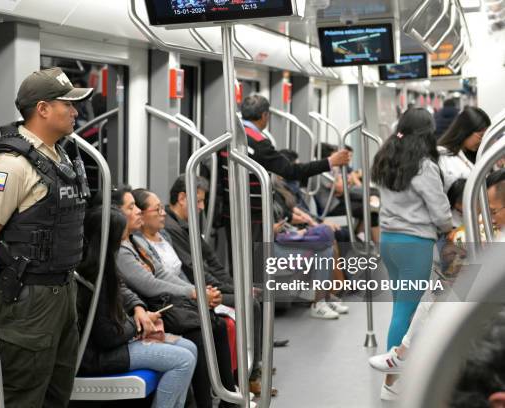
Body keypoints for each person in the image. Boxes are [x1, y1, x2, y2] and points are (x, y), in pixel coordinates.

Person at [0, 67, 94, 407]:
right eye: (67, 104)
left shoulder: (60, 155)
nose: (75, 111)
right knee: (22, 395)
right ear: (42, 109)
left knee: (57, 392)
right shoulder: (11, 164)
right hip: (29, 297)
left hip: (63, 292)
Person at [113, 186, 238, 408]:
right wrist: (193, 293)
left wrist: (197, 291)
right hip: (155, 307)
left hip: (163, 303)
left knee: (215, 325)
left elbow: (162, 272)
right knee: (199, 335)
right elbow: (149, 285)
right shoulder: (120, 252)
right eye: (132, 208)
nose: (139, 212)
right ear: (116, 214)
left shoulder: (137, 242)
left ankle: (227, 395)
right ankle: (205, 402)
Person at [162, 174, 280, 396]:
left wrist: (235, 285)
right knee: (251, 304)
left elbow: (211, 261)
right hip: (193, 292)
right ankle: (249, 376)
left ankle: (255, 362)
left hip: (206, 287)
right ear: (181, 197)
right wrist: (234, 290)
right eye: (198, 201)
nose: (201, 207)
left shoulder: (187, 225)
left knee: (254, 296)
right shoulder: (171, 228)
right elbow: (193, 269)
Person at [77, 205, 197, 408]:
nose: (124, 243)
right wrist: (138, 325)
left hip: (114, 340)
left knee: (189, 347)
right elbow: (107, 336)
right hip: (98, 356)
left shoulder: (104, 268)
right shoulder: (94, 279)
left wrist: (139, 310)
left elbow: (123, 292)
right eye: (121, 239)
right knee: (183, 360)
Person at [371, 108, 453, 400]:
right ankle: (392, 384)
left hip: (389, 241)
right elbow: (440, 211)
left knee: (400, 308)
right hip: (414, 244)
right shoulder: (424, 166)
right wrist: (450, 227)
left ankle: (396, 379)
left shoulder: (385, 158)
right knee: (405, 313)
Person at [218, 94, 352, 271]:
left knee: (239, 260)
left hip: (231, 211)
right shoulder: (259, 143)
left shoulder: (228, 137)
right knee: (256, 262)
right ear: (265, 115)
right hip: (254, 213)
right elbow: (291, 171)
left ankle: (244, 295)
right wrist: (329, 162)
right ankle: (256, 297)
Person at [438, 106, 491, 193]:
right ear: (466, 130)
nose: (482, 141)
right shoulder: (442, 156)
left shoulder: (475, 153)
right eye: (481, 136)